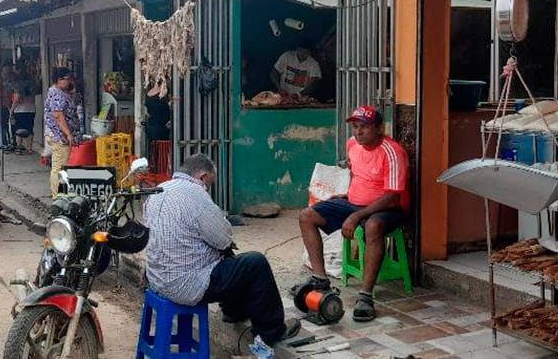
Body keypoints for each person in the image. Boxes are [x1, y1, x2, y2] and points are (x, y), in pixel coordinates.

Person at [144, 154, 300, 345]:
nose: (209, 187)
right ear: (202, 176)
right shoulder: (196, 194)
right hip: (186, 286)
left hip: (158, 280)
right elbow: (222, 238)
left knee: (229, 261)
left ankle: (233, 312)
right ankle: (271, 332)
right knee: (255, 263)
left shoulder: (159, 191)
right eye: (210, 182)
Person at [297, 105, 410, 322]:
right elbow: (358, 176)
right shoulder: (353, 145)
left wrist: (357, 216)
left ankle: (366, 296)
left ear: (379, 128)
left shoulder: (393, 152)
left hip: (388, 209)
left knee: (372, 226)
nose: (358, 132)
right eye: (356, 127)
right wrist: (344, 196)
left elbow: (393, 197)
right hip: (354, 203)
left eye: (364, 127)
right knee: (307, 216)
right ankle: (320, 279)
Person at [44, 68, 79, 196]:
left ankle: (62, 193)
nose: (69, 81)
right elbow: (58, 115)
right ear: (59, 80)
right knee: (59, 167)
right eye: (67, 79)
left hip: (60, 135)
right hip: (60, 136)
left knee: (62, 166)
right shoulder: (56, 94)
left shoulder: (61, 92)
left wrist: (72, 92)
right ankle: (57, 196)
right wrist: (68, 134)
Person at [10, 73, 36, 154]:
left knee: (19, 130)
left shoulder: (18, 86)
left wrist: (11, 110)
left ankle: (19, 148)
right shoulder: (32, 87)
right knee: (29, 129)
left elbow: (17, 99)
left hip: (20, 110)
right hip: (31, 110)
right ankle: (29, 148)